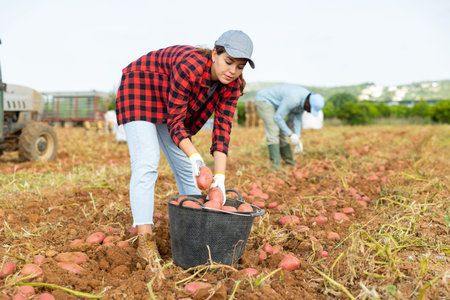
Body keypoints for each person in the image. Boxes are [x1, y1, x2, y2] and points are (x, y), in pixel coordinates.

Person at [115, 30, 255, 266]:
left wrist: (219, 178)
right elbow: (176, 123)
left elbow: (222, 130)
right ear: (214, 54)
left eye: (239, 67)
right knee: (147, 163)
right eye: (228, 62)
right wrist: (196, 157)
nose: (232, 71)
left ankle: (195, 235)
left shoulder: (233, 84)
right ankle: (145, 242)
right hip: (140, 88)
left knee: (188, 173)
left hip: (167, 100)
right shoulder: (189, 67)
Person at [254, 84, 325, 168]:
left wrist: (297, 138)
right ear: (308, 102)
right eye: (310, 109)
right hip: (265, 100)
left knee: (281, 133)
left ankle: (290, 163)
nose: (309, 111)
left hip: (276, 105)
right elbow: (278, 117)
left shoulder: (305, 102)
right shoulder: (294, 99)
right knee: (274, 130)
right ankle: (276, 167)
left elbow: (297, 120)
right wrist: (290, 134)